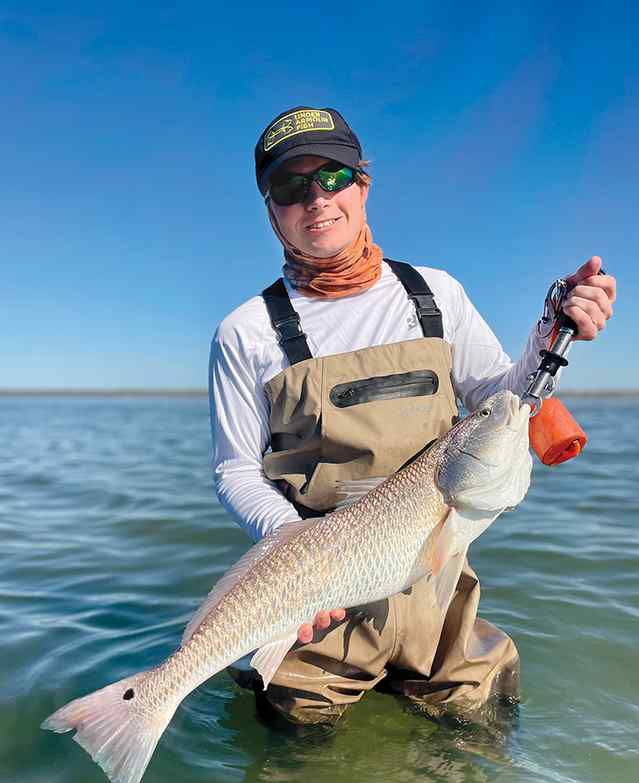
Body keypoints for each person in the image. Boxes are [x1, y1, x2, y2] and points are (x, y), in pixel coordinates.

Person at [209, 106, 616, 725]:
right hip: (320, 610)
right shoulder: (245, 332)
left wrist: (550, 330)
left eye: (334, 177)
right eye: (290, 188)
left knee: (479, 760)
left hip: (440, 595)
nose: (315, 200)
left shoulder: (435, 293)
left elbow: (502, 399)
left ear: (363, 185)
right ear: (271, 210)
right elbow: (237, 471)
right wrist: (293, 548)